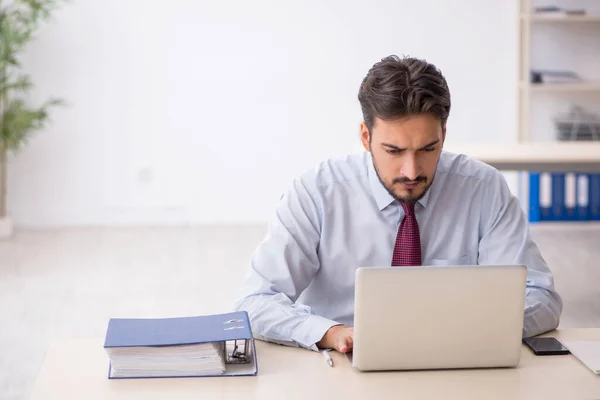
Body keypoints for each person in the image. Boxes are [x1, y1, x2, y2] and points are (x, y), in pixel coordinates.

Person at [233, 55, 563, 354]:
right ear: (366, 137)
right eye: (394, 151)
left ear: (444, 135)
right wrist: (330, 332)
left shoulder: (484, 189)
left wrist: (470, 330)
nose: (411, 171)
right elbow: (256, 301)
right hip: (342, 365)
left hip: (455, 361)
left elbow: (540, 297)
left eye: (427, 149)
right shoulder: (316, 192)